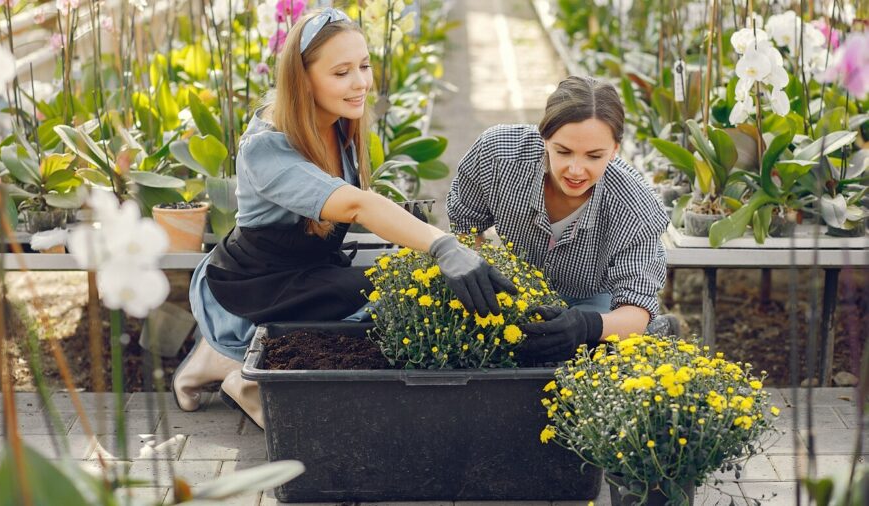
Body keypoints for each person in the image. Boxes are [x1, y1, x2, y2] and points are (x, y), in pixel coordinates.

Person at [173, 7, 516, 428]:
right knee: (391, 303)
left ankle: (227, 361)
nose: (361, 83)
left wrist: (411, 227)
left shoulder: (337, 121)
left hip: (309, 270)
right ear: (303, 78)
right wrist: (443, 244)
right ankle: (238, 370)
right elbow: (355, 205)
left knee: (405, 286)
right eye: (341, 72)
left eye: (364, 66)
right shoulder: (267, 147)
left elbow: (355, 201)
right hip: (258, 282)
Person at [446, 76, 672, 363]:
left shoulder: (635, 205)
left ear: (615, 149)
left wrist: (585, 326)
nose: (576, 170)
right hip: (517, 288)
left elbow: (635, 309)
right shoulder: (498, 155)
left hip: (593, 301)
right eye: (563, 151)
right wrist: (481, 286)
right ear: (544, 137)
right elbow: (465, 228)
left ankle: (661, 327)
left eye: (594, 156)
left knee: (603, 359)